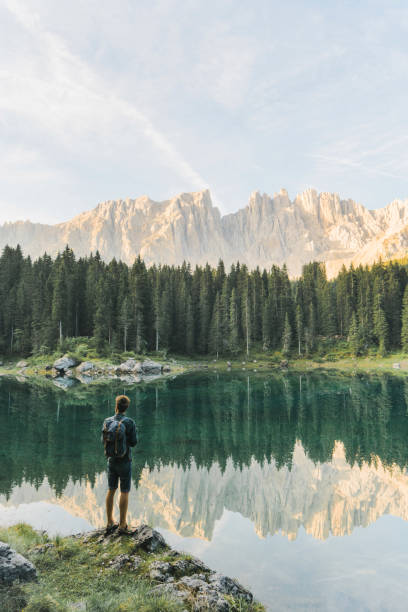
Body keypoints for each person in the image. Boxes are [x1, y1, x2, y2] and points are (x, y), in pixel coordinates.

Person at [102, 394, 138, 534]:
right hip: (125, 460)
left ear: (115, 406)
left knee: (111, 489)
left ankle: (110, 521)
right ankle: (122, 524)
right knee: (124, 491)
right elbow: (134, 443)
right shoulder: (129, 422)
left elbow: (103, 440)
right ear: (126, 407)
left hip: (111, 460)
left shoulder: (107, 421)